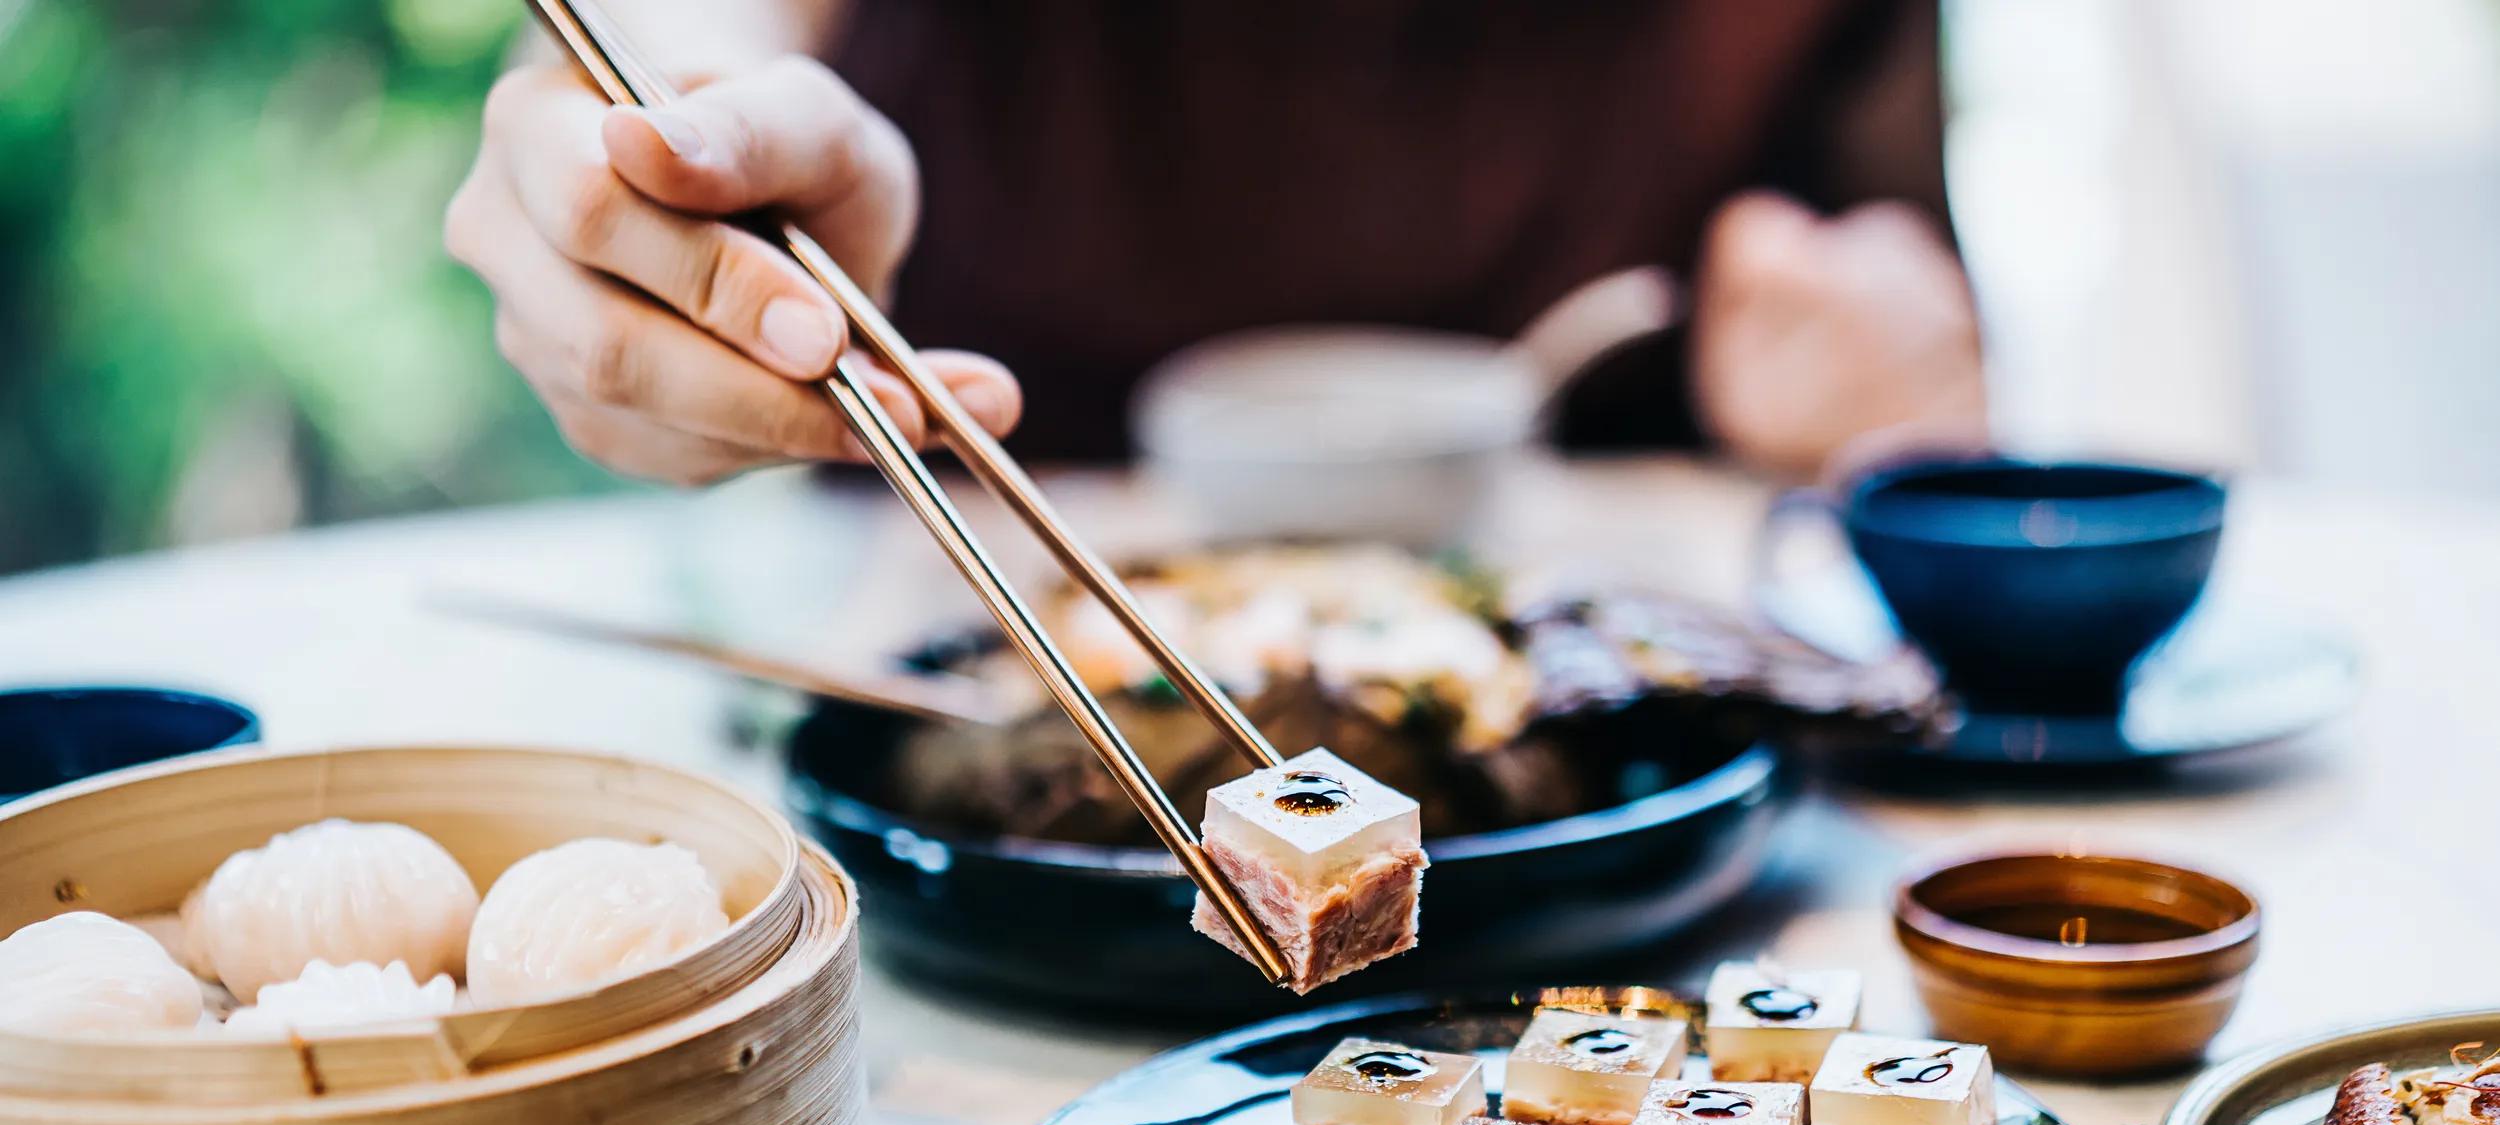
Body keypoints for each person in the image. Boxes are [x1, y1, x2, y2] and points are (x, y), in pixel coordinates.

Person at [446, 1, 1986, 488]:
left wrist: (1880, 401)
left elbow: (1894, 329)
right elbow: (664, 60)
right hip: (949, 799)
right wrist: (654, 193)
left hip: (1662, 884)